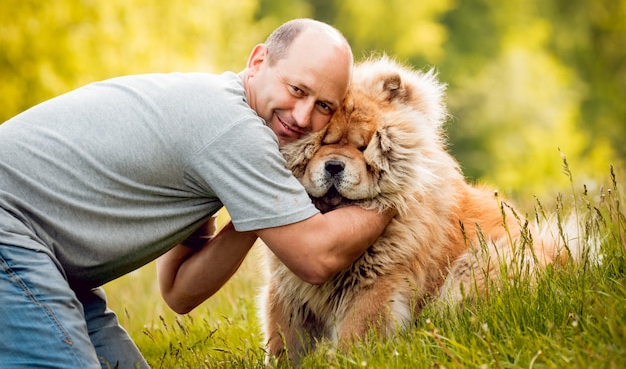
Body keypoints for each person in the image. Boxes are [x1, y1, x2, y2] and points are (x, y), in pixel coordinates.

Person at [0, 18, 393, 368]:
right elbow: (316, 258)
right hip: (11, 236)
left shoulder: (217, 117)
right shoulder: (233, 131)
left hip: (42, 258)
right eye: (296, 89)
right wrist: (393, 195)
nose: (303, 116)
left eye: (323, 105)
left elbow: (180, 292)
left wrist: (264, 212)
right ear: (258, 62)